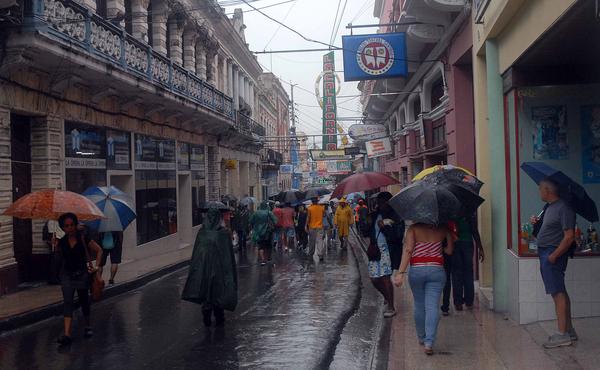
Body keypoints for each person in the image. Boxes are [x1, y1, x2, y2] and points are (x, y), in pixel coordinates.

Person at [394, 222, 454, 355]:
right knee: (433, 306)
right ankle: (429, 343)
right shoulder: (443, 229)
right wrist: (438, 249)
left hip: (417, 270)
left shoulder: (413, 229)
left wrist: (400, 273)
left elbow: (409, 250)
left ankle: (421, 337)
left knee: (419, 305)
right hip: (437, 270)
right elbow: (449, 251)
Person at [530, 178, 577, 349]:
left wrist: (554, 255)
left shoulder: (563, 208)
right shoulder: (549, 208)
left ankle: (562, 334)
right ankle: (569, 330)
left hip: (552, 255)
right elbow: (543, 232)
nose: (539, 191)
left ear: (548, 190)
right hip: (546, 252)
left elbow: (569, 236)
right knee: (559, 291)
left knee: (557, 293)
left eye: (540, 188)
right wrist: (536, 224)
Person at [53, 213, 103, 346]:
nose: (70, 228)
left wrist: (96, 267)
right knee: (67, 302)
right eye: (66, 226)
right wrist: (55, 248)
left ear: (75, 225)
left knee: (84, 300)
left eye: (72, 225)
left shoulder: (83, 239)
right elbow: (58, 260)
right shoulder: (62, 242)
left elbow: (99, 250)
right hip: (67, 275)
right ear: (63, 228)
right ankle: (67, 334)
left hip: (82, 275)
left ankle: (87, 326)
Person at [181, 209, 237, 327]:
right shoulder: (223, 233)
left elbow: (197, 253)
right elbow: (228, 254)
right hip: (219, 269)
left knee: (207, 290)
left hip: (204, 268)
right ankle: (218, 316)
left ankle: (207, 313)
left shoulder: (202, 232)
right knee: (218, 291)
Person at [368, 192, 398, 319]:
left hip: (387, 251)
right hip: (375, 251)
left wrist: (384, 227)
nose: (380, 205)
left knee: (385, 278)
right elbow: (367, 233)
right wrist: (367, 221)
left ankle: (391, 306)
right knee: (374, 279)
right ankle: (386, 297)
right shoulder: (375, 215)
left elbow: (396, 236)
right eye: (379, 203)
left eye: (383, 202)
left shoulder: (394, 217)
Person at [250, 201, 277, 265]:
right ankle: (268, 258)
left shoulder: (255, 213)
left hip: (258, 232)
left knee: (261, 246)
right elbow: (275, 221)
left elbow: (250, 221)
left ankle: (263, 260)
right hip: (267, 231)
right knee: (269, 245)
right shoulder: (268, 212)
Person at [43, 220, 65, 285]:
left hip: (59, 242)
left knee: (59, 260)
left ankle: (56, 277)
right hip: (55, 242)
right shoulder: (51, 222)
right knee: (56, 260)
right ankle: (54, 278)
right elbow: (50, 234)